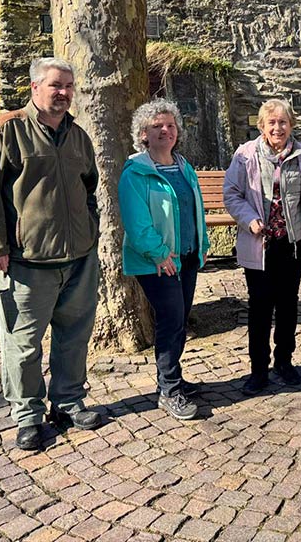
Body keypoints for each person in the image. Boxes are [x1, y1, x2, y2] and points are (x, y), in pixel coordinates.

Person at [0, 57, 102, 452]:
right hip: (27, 263)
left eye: (68, 86)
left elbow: (90, 189)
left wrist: (90, 233)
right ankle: (27, 416)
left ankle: (68, 402)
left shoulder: (78, 136)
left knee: (75, 337)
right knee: (23, 344)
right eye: (55, 85)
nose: (63, 93)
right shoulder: (5, 132)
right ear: (34, 87)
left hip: (79, 257)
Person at [223, 99, 301, 395]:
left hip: (291, 243)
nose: (277, 127)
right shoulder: (245, 156)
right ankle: (258, 369)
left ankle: (284, 361)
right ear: (262, 127)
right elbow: (232, 194)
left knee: (288, 304)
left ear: (291, 125)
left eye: (283, 122)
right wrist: (250, 219)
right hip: (260, 243)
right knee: (260, 307)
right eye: (272, 123)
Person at [118, 100, 209, 420]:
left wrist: (202, 244)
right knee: (171, 320)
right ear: (143, 134)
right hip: (157, 262)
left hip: (186, 258)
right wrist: (159, 254)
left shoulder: (183, 166)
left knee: (180, 319)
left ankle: (174, 378)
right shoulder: (136, 172)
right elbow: (136, 222)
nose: (166, 131)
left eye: (170, 126)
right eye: (157, 126)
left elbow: (194, 210)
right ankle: (169, 390)